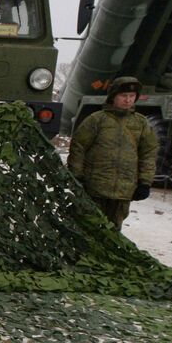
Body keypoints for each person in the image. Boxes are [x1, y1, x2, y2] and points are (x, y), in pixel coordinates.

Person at [67, 76, 158, 230]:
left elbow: (148, 154)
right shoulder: (96, 120)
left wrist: (145, 182)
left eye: (132, 96)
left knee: (113, 232)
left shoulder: (141, 123)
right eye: (123, 96)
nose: (128, 100)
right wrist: (77, 176)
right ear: (113, 97)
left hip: (123, 192)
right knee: (89, 227)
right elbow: (78, 148)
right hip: (95, 188)